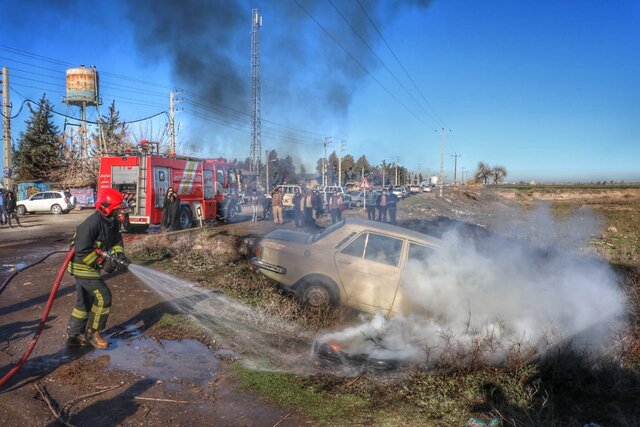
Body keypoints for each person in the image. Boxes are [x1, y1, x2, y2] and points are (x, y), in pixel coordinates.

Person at [66, 188, 130, 349]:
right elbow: (82, 251)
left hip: (91, 267)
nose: (120, 212)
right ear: (106, 207)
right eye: (117, 209)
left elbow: (117, 242)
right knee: (103, 296)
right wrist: (101, 263)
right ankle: (92, 333)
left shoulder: (112, 222)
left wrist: (119, 257)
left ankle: (73, 336)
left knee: (84, 302)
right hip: (82, 266)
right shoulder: (90, 224)